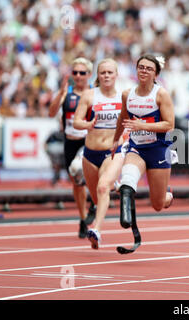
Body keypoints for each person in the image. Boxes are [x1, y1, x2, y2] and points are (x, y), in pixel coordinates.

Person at [111, 53, 174, 245]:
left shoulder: (161, 94)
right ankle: (126, 210)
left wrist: (143, 126)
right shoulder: (127, 94)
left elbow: (169, 125)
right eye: (141, 67)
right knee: (128, 177)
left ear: (156, 74)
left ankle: (168, 194)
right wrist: (115, 141)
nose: (144, 71)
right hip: (137, 148)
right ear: (136, 69)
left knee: (158, 205)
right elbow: (123, 119)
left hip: (159, 150)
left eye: (148, 68)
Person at [73, 58, 125, 250]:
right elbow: (76, 122)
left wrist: (123, 140)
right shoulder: (89, 95)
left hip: (112, 152)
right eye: (103, 72)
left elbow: (130, 123)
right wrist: (87, 124)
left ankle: (96, 230)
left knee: (103, 188)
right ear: (98, 75)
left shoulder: (124, 97)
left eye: (110, 72)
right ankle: (114, 188)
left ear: (116, 75)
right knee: (96, 198)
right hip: (90, 153)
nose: (106, 76)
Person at [48, 57, 96, 238]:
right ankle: (83, 219)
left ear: (89, 75)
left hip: (89, 141)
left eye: (82, 73)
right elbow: (51, 112)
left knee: (86, 172)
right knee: (76, 181)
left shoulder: (94, 92)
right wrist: (60, 94)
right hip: (70, 141)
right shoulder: (66, 92)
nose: (77, 76)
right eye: (74, 72)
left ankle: (96, 202)